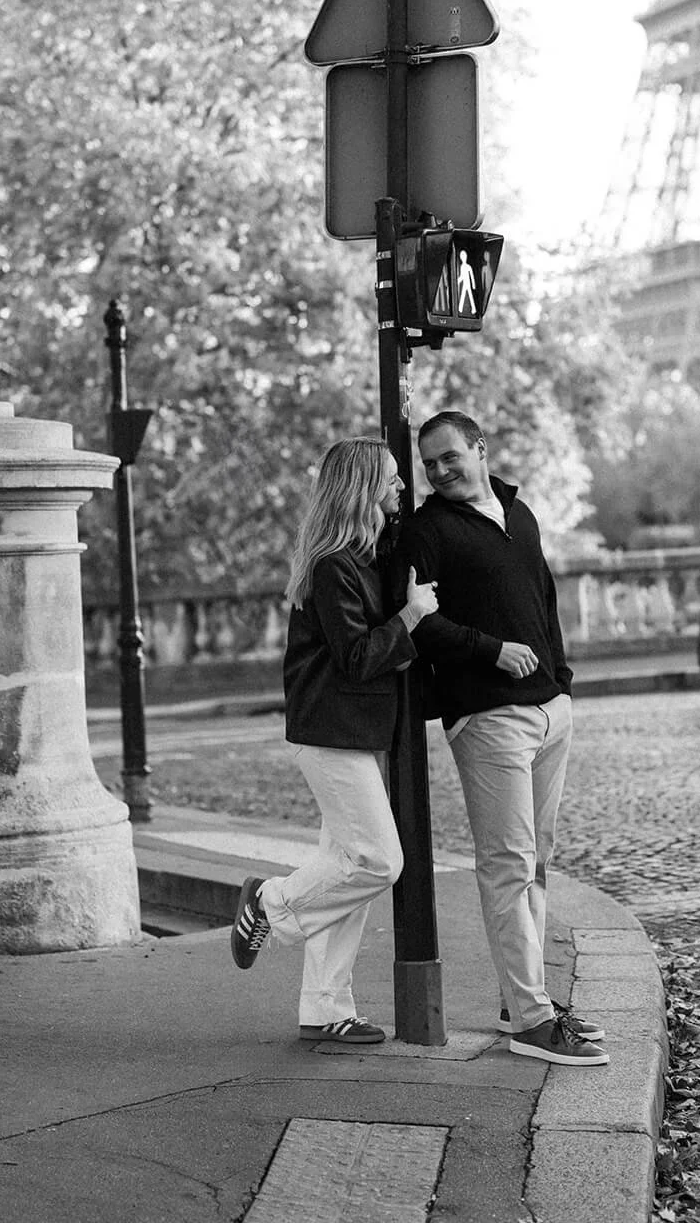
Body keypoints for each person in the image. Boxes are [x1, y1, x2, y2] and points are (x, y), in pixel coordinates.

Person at [395, 411, 608, 1067]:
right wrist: (491, 652)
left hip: (549, 712)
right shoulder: (425, 531)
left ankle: (523, 997)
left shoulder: (520, 513)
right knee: (508, 864)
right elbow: (415, 623)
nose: (437, 471)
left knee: (534, 860)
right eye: (428, 463)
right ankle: (531, 1020)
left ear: (480, 449)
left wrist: (561, 682)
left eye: (449, 457)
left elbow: (543, 603)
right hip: (487, 719)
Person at [230, 437, 438, 1045]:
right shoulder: (333, 567)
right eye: (393, 479)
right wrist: (411, 616)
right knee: (379, 861)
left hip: (357, 733)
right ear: (363, 488)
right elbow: (355, 658)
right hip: (331, 734)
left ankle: (325, 1008)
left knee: (344, 867)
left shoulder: (362, 557)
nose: (402, 488)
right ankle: (267, 904)